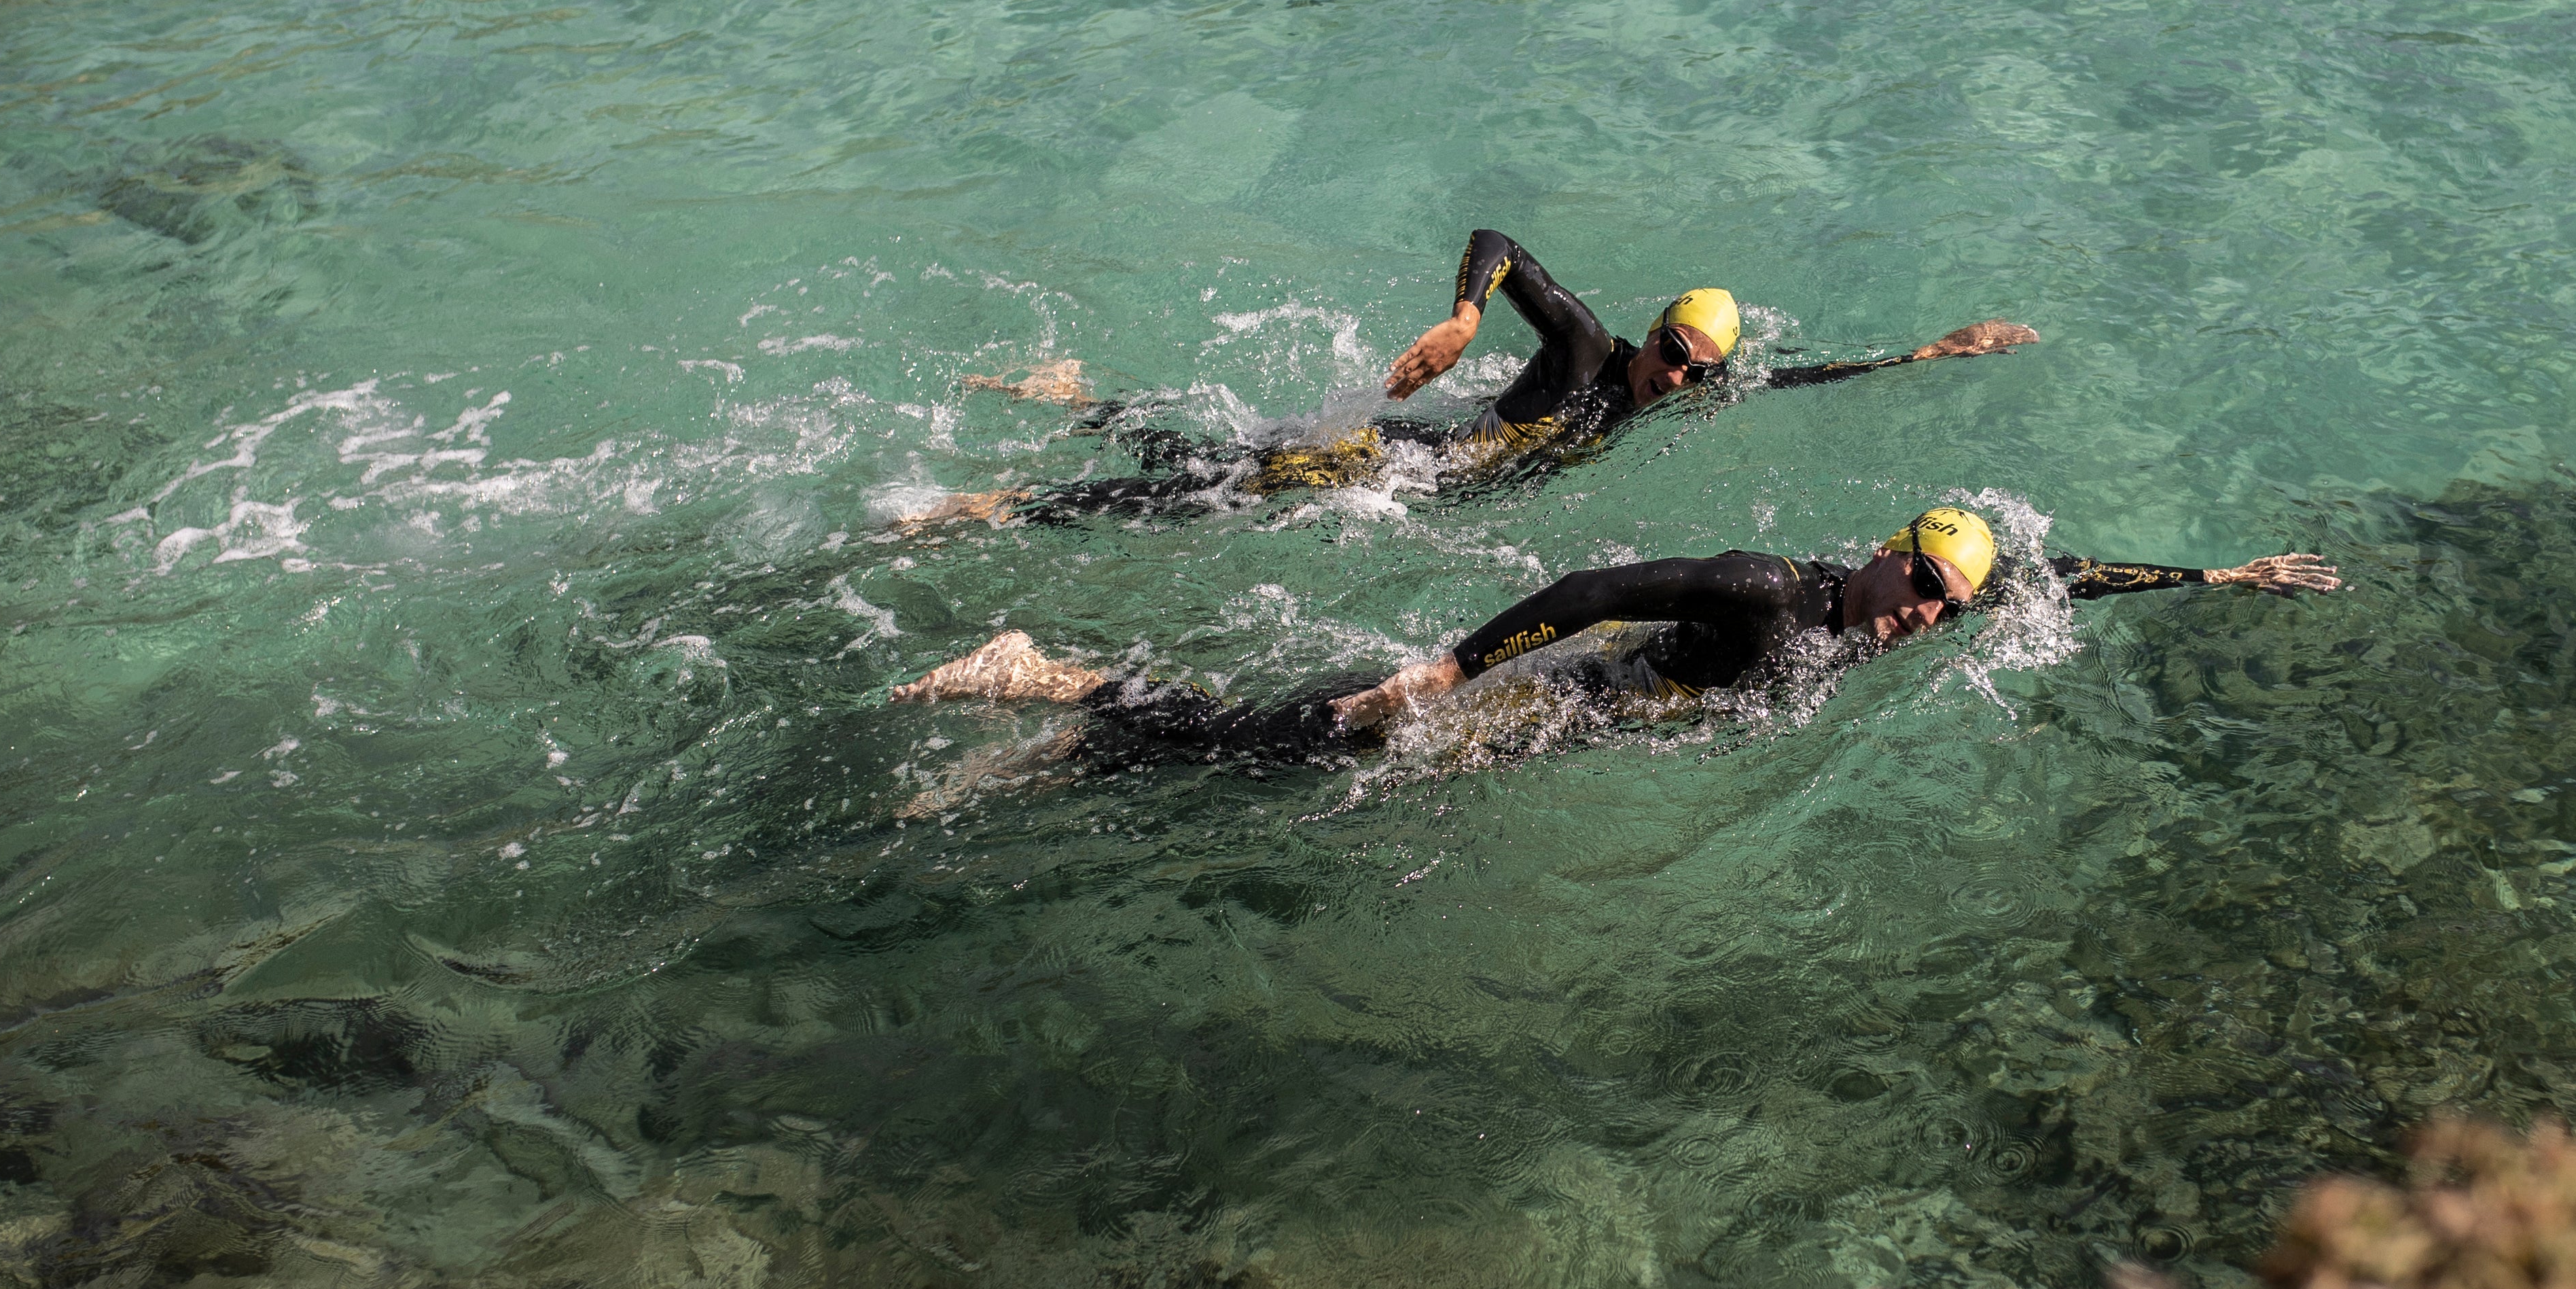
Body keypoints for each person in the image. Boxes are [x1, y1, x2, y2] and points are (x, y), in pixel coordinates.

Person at [885, 505, 2342, 783]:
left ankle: (1084, 733)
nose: (1923, 620)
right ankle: (1059, 684)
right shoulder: (1775, 590)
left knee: (1301, 776)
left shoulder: (1895, 623)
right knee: (1304, 751)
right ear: (1889, 553)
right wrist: (1454, 673)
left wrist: (2218, 571)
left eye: (1944, 613)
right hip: (1544, 698)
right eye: (1918, 591)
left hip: (1580, 733)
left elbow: (2060, 577)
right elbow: (1589, 587)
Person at [894, 229, 2038, 529]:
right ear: (1650, 334)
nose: (1681, 382)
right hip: (1396, 461)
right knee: (1214, 492)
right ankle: (1017, 495)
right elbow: (1501, 236)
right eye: (1675, 356)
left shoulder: (1699, 384)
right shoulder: (1589, 347)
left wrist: (1931, 353)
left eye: (1701, 375)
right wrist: (1461, 316)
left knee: (1215, 475)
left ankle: (1080, 399)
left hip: (1445, 497)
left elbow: (1801, 376)